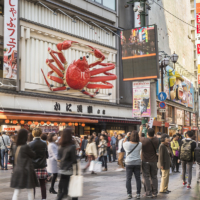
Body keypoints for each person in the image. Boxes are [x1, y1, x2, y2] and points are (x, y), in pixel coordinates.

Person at [10, 129, 39, 200]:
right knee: (30, 190)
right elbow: (33, 155)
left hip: (17, 169)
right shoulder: (25, 146)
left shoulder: (14, 146)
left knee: (17, 191)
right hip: (26, 170)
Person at [57, 127, 78, 200]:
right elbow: (74, 160)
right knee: (73, 190)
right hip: (70, 170)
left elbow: (58, 157)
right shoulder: (72, 146)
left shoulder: (60, 145)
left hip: (62, 169)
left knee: (64, 190)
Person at [138, 125, 159, 198]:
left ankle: (148, 192)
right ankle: (155, 192)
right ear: (154, 134)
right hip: (154, 161)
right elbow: (155, 135)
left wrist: (141, 129)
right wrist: (148, 129)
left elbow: (138, 137)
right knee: (154, 176)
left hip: (145, 160)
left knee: (146, 176)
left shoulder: (144, 140)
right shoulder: (156, 140)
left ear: (147, 134)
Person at [29, 128, 48, 200]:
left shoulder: (30, 144)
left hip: (33, 166)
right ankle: (43, 198)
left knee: (33, 184)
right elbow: (46, 155)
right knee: (42, 183)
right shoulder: (44, 143)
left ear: (33, 134)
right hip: (42, 165)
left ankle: (32, 198)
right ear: (41, 134)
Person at [123, 131, 142, 199]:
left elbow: (123, 143)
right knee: (138, 179)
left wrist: (126, 136)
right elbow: (139, 140)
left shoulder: (127, 144)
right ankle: (138, 194)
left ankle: (129, 194)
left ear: (130, 136)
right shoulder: (140, 144)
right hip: (137, 163)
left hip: (129, 163)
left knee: (128, 179)